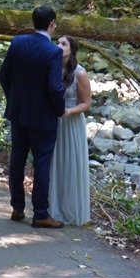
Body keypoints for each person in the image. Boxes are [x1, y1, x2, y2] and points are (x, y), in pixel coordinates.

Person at [0, 5, 66, 229]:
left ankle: (17, 207)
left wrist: (13, 98)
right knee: (41, 164)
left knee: (17, 159)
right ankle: (40, 213)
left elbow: (4, 75)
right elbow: (55, 88)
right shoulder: (53, 52)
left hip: (18, 113)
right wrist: (59, 109)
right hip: (43, 117)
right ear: (52, 24)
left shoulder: (18, 42)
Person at [48, 35, 92, 226]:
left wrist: (68, 111)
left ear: (72, 50)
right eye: (57, 42)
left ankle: (72, 210)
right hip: (53, 122)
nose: (59, 46)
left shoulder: (80, 73)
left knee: (71, 164)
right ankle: (53, 208)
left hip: (72, 123)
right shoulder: (53, 68)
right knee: (54, 164)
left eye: (64, 44)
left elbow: (87, 104)